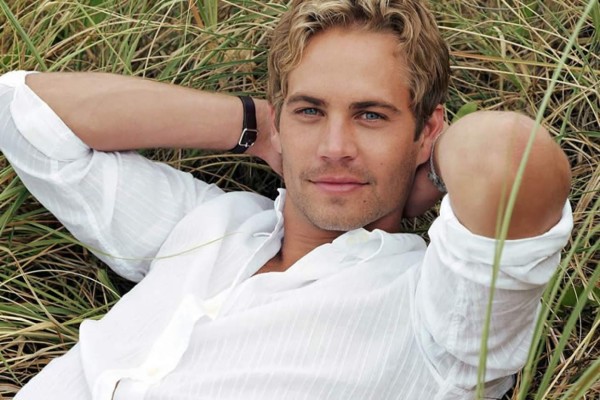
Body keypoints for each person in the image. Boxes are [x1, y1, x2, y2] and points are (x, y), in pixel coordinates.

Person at [0, 0, 572, 399]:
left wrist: (427, 175)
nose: (334, 147)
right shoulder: (209, 224)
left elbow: (507, 154)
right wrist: (255, 126)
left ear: (427, 131)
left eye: (371, 116)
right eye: (310, 110)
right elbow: (22, 112)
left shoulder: (437, 317)